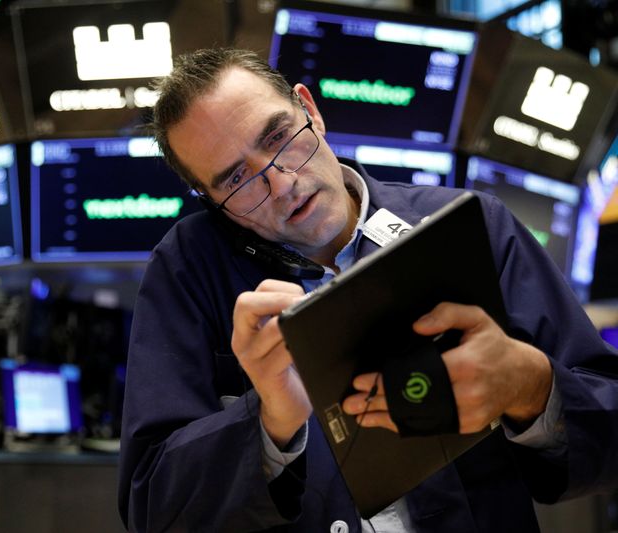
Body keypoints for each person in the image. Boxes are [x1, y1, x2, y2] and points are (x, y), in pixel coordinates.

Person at [117, 48, 618, 532]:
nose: (281, 183)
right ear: (211, 199)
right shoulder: (186, 270)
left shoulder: (469, 224)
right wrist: (270, 424)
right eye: (237, 179)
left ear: (309, 109)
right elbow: (152, 506)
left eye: (277, 137)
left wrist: (529, 385)